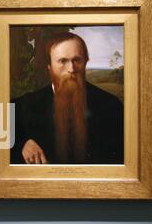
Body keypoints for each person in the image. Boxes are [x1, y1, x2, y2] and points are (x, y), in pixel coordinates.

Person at [11, 32, 124, 165]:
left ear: (86, 62)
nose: (71, 68)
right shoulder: (23, 105)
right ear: (49, 66)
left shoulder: (111, 105)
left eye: (77, 60)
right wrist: (21, 144)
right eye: (62, 61)